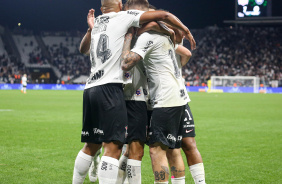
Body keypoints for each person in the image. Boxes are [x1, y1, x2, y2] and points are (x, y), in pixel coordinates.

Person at [72, 0, 196, 183]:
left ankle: (94, 165)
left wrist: (166, 30)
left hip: (110, 90)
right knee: (118, 147)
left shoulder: (102, 22)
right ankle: (100, 164)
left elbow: (83, 49)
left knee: (127, 149)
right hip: (125, 93)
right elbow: (164, 18)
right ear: (122, 8)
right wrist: (182, 30)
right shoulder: (125, 20)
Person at [121, 9, 196, 184]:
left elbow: (126, 63)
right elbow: (184, 53)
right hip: (178, 98)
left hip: (165, 99)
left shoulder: (148, 37)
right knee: (174, 149)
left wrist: (127, 37)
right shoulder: (166, 37)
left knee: (156, 150)